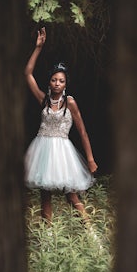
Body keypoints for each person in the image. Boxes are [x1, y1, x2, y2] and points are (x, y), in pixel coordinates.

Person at [24, 27, 98, 225]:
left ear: (66, 84)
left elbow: (82, 131)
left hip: (63, 153)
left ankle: (93, 236)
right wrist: (38, 48)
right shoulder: (44, 100)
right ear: (49, 82)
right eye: (54, 80)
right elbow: (28, 74)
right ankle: (47, 238)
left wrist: (90, 159)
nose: (57, 83)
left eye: (61, 81)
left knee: (71, 196)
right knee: (45, 195)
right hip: (43, 151)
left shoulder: (70, 103)